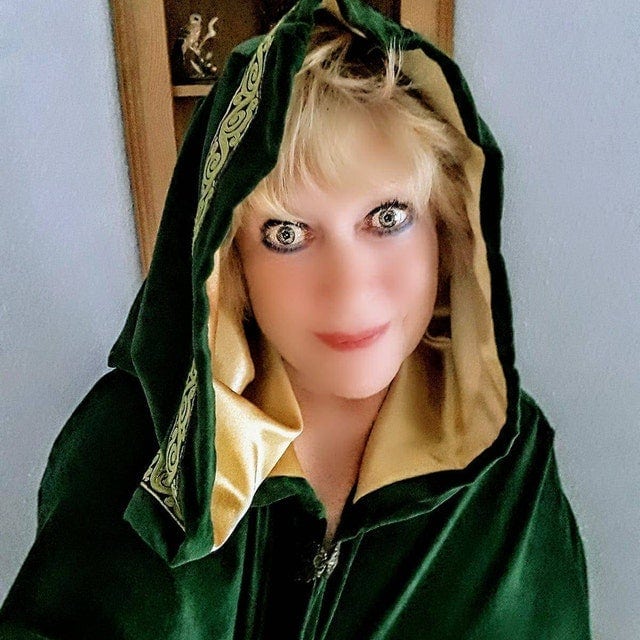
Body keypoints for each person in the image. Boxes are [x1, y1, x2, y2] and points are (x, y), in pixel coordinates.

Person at [0, 0, 591, 638]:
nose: (349, 289)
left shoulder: (510, 457)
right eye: (287, 233)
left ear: (447, 232)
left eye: (388, 218)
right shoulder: (132, 438)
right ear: (229, 263)